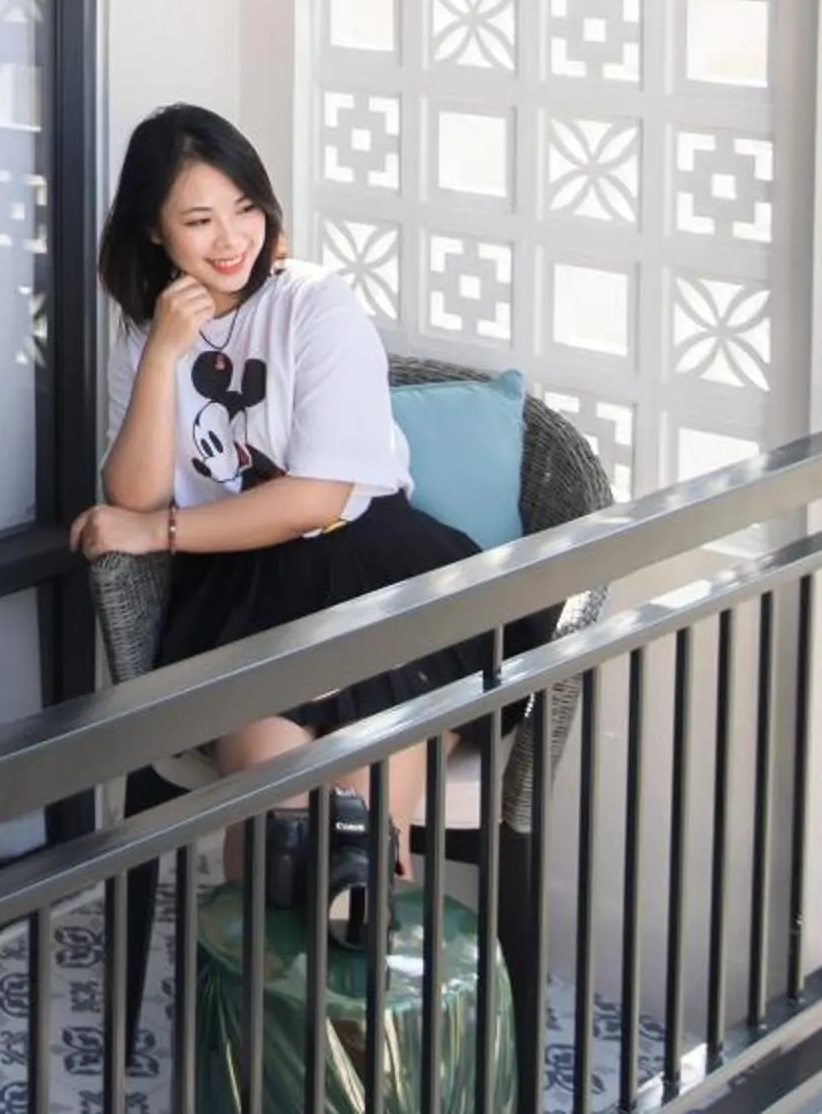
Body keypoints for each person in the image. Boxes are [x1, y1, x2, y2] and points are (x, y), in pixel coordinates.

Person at [70, 101, 500, 907]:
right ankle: (271, 1023)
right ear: (156, 233)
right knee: (278, 836)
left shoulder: (314, 302)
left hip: (373, 565)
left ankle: (364, 1018)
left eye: (245, 208)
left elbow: (317, 499)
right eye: (199, 219)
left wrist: (157, 531)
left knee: (364, 829)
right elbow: (133, 489)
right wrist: (164, 352)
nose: (232, 239)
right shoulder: (148, 330)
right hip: (244, 590)